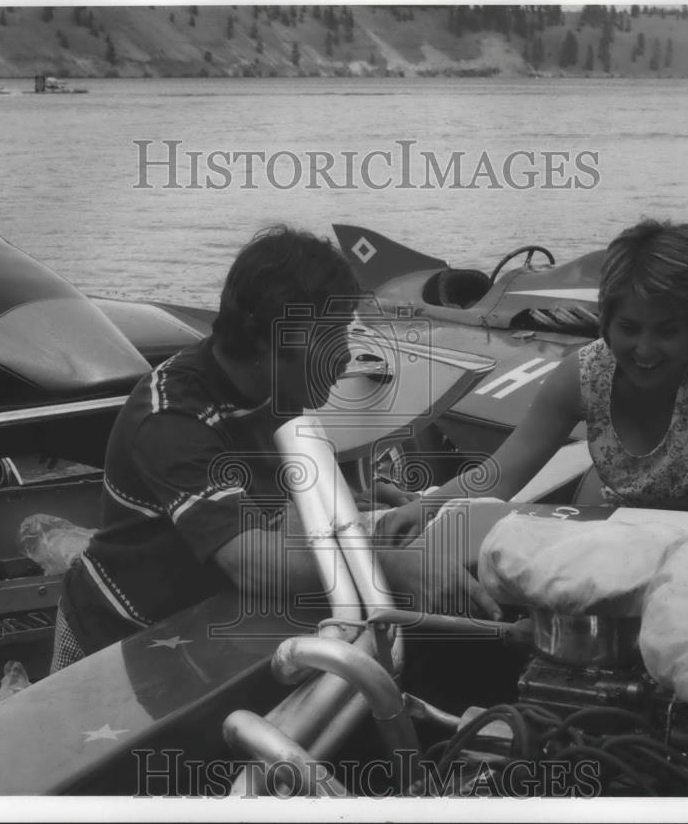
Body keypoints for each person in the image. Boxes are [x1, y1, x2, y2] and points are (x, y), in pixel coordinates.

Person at [51, 225, 491, 672]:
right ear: (272, 339)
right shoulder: (171, 419)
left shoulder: (275, 385)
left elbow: (279, 479)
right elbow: (250, 563)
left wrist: (358, 497)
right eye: (333, 334)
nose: (345, 355)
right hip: (118, 637)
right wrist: (394, 566)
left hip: (204, 620)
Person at [376, 219, 688, 542]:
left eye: (666, 331)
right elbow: (500, 474)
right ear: (606, 322)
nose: (645, 349)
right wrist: (424, 508)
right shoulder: (585, 374)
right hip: (627, 546)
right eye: (629, 328)